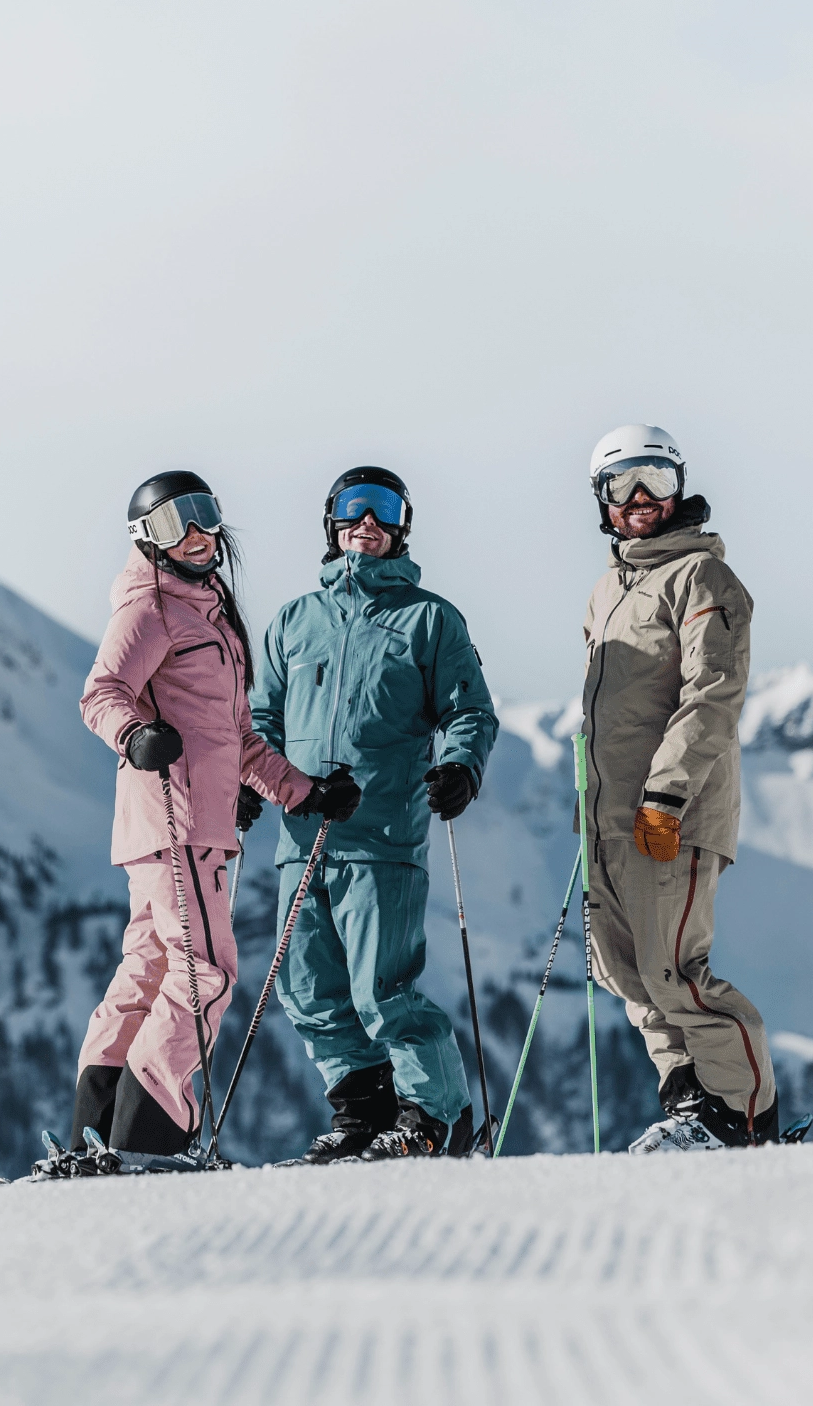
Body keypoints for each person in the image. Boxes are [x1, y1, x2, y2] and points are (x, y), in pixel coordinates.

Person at [75, 471, 359, 1157]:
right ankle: (151, 1133)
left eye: (205, 515)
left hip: (186, 825)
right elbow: (102, 692)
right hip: (174, 819)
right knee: (205, 970)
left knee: (149, 966)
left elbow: (236, 738)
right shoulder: (150, 607)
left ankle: (100, 1125)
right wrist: (136, 736)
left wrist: (303, 792)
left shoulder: (207, 612)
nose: (198, 533)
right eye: (177, 522)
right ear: (150, 540)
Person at [252, 467, 497, 1162]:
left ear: (402, 527)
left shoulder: (428, 618)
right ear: (331, 523)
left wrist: (459, 765)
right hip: (303, 835)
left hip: (382, 837)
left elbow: (468, 710)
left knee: (382, 991)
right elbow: (260, 719)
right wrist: (252, 782)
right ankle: (364, 1112)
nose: (367, 520)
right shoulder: (295, 621)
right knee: (309, 992)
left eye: (384, 509)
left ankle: (434, 1116)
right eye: (352, 508)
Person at [577, 425, 782, 1152]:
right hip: (609, 819)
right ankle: (692, 1099)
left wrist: (665, 794)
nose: (640, 500)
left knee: (675, 972)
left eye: (656, 482)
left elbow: (713, 694)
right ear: (601, 500)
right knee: (624, 972)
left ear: (680, 488)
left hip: (671, 812)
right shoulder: (609, 590)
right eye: (623, 484)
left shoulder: (703, 578)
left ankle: (744, 1118)